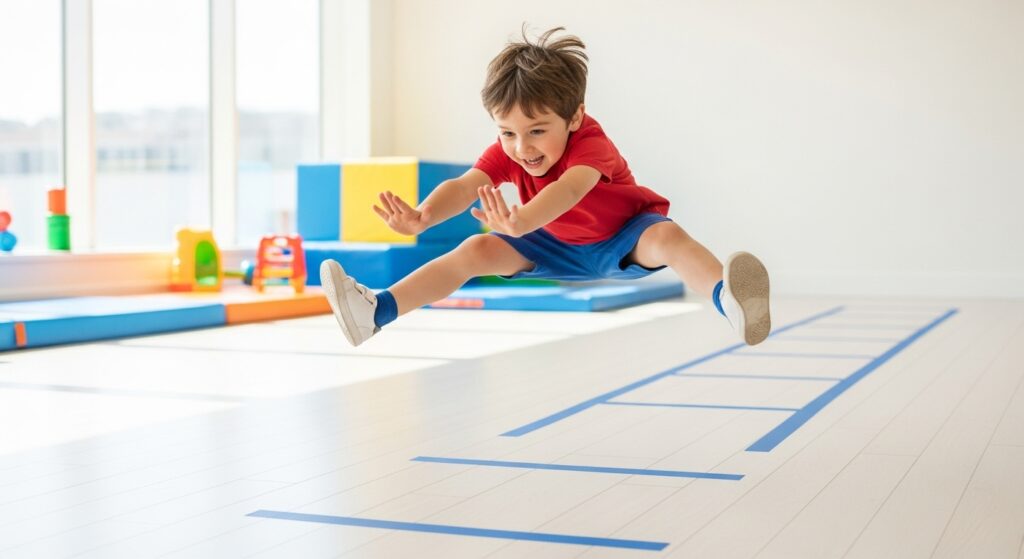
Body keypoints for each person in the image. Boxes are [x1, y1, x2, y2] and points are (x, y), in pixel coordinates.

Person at [320, 26, 770, 348]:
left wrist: (522, 222)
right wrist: (424, 215)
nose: (522, 148)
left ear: (574, 117)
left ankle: (727, 299)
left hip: (622, 238)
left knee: (668, 236)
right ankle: (375, 312)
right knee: (473, 254)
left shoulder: (590, 142)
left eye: (537, 131)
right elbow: (465, 185)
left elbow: (571, 191)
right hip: (552, 242)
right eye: (507, 132)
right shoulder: (508, 151)